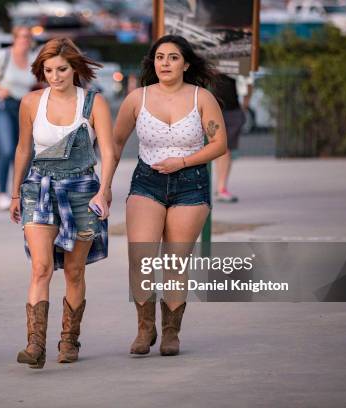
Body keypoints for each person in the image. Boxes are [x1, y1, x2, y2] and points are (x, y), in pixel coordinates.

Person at [113, 35, 226, 356]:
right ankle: (144, 327)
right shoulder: (137, 98)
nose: (165, 63)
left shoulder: (201, 98)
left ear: (186, 64)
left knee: (175, 260)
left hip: (191, 183)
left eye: (173, 57)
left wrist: (184, 161)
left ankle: (171, 332)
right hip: (147, 181)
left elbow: (219, 144)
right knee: (141, 257)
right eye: (160, 57)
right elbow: (116, 143)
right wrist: (104, 184)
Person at [9, 38, 117, 368]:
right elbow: (24, 149)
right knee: (40, 267)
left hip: (83, 189)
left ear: (74, 69)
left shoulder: (93, 103)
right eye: (48, 70)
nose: (54, 76)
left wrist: (105, 190)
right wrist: (15, 192)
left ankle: (69, 340)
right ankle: (35, 345)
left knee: (73, 270)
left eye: (61, 69)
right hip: (38, 188)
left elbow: (109, 152)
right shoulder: (30, 102)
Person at [0, 26, 37, 210]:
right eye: (21, 36)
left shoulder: (33, 58)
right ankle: (3, 193)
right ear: (14, 38)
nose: (25, 40)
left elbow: (40, 80)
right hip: (3, 105)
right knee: (6, 149)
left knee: (25, 151)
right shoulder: (3, 55)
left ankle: (21, 191)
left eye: (28, 36)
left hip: (24, 107)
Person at [213, 73, 249, 203]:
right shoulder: (209, 59)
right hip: (213, 108)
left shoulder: (235, 61)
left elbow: (247, 81)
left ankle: (221, 187)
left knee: (224, 150)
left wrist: (244, 106)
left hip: (231, 109)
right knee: (221, 151)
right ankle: (221, 187)